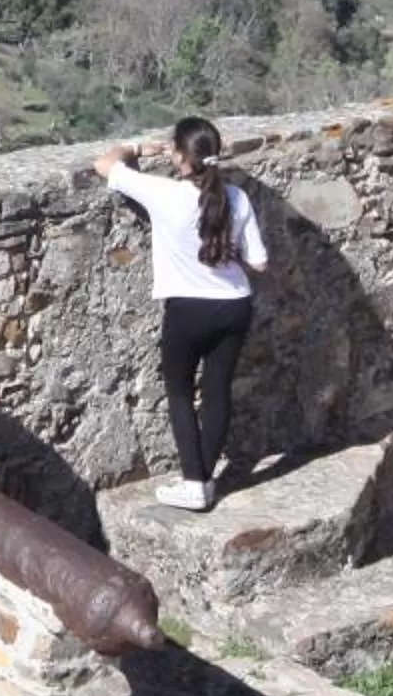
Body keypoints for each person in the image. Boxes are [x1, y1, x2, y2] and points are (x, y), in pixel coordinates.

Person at [99, 117, 269, 513]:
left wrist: (138, 149)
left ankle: (194, 484)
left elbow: (104, 164)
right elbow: (259, 263)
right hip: (234, 304)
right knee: (217, 392)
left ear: (178, 156)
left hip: (187, 309)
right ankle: (206, 479)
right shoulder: (236, 198)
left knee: (179, 392)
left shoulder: (163, 193)